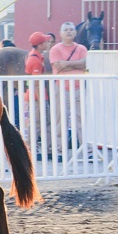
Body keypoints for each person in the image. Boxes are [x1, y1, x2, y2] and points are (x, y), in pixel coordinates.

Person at [49, 22, 91, 160]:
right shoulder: (55, 49)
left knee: (82, 119)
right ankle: (60, 151)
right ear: (61, 33)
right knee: (60, 120)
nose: (68, 32)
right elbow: (57, 66)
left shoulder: (81, 48)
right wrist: (77, 64)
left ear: (75, 32)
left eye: (71, 30)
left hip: (79, 87)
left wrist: (67, 64)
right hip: (61, 87)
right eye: (65, 30)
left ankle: (87, 150)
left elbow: (86, 63)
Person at [24, 31, 52, 156]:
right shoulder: (35, 60)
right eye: (45, 41)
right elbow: (36, 83)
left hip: (37, 96)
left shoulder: (37, 56)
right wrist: (41, 101)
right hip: (36, 97)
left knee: (38, 122)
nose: (47, 43)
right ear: (40, 45)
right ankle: (30, 148)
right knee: (36, 123)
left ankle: (33, 147)